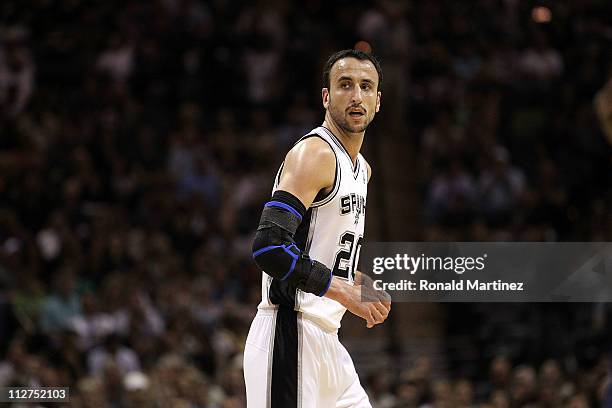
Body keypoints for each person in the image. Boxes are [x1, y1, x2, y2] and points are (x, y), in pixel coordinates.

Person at [244, 49, 391, 407]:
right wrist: (340, 290)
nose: (356, 96)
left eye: (366, 87)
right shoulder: (316, 153)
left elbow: (317, 248)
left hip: (328, 340)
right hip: (289, 333)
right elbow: (269, 246)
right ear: (326, 96)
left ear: (377, 101)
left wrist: (353, 279)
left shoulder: (363, 170)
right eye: (345, 85)